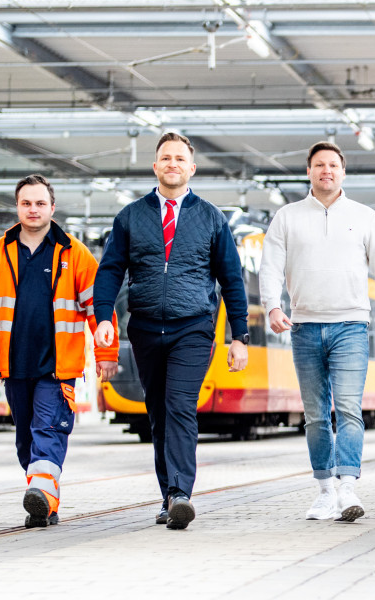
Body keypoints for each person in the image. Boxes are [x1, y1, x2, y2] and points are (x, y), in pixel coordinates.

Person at [92, 132, 250, 530]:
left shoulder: (211, 217)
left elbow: (231, 278)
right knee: (158, 415)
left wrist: (239, 335)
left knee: (179, 408)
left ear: (191, 168)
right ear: (156, 166)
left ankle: (181, 493)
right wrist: (103, 319)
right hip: (145, 327)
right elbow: (110, 269)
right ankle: (169, 495)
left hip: (193, 327)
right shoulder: (131, 216)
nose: (173, 164)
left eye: (180, 158)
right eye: (166, 158)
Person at [261, 141, 375, 523]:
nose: (326, 171)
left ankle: (347, 487)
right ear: (309, 172)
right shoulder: (287, 217)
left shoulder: (364, 216)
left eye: (333, 165)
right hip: (305, 327)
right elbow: (270, 267)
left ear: (343, 173)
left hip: (351, 327)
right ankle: (325, 490)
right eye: (318, 165)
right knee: (314, 415)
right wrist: (273, 306)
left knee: (348, 409)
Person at [0, 174, 120, 528]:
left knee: (48, 430)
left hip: (57, 366)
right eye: (26, 203)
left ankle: (42, 493)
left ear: (52, 207)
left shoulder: (73, 253)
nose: (33, 210)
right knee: (25, 440)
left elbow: (99, 306)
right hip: (13, 365)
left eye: (40, 203)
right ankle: (44, 497)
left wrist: (106, 355)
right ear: (17, 207)